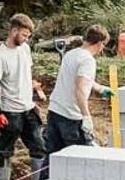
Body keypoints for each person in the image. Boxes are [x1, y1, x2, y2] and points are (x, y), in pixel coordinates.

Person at [0, 14, 45, 180]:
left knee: (39, 148)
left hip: (28, 109)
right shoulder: (1, 56)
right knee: (5, 150)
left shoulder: (25, 49)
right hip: (10, 112)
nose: (26, 39)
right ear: (14, 31)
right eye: (24, 35)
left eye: (28, 36)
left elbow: (26, 77)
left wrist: (32, 100)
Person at [44, 24, 106, 172]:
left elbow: (79, 80)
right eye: (103, 46)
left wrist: (100, 88)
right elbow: (80, 90)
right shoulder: (88, 60)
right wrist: (86, 116)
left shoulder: (71, 54)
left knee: (52, 157)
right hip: (70, 117)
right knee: (82, 158)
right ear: (99, 43)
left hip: (54, 112)